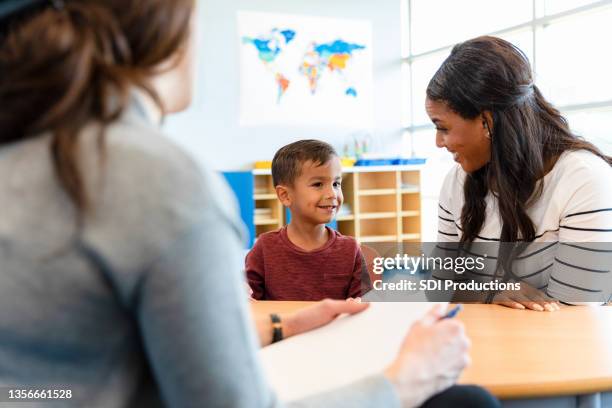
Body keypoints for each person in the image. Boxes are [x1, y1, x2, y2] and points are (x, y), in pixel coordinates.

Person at [0, 0, 500, 407]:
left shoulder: (21, 152)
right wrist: (404, 381)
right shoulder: (164, 182)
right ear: (174, 32)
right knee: (466, 403)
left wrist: (283, 323)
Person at [425, 36, 612, 310]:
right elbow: (439, 287)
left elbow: (576, 312)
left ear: (486, 121)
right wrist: (488, 291)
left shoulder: (582, 179)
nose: (439, 142)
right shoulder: (457, 181)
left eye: (442, 127)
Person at [246, 140, 370, 300]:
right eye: (318, 184)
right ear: (285, 195)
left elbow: (363, 305)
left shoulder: (350, 250)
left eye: (336, 183)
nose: (332, 194)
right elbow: (248, 304)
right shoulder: (264, 248)